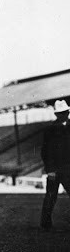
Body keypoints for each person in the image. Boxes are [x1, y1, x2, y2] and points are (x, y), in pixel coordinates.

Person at [40, 99, 70, 231]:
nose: (63, 115)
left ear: (68, 112)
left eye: (65, 112)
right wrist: (50, 170)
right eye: (60, 113)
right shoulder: (50, 130)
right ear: (56, 115)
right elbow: (46, 152)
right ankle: (45, 224)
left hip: (69, 170)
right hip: (55, 170)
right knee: (51, 197)